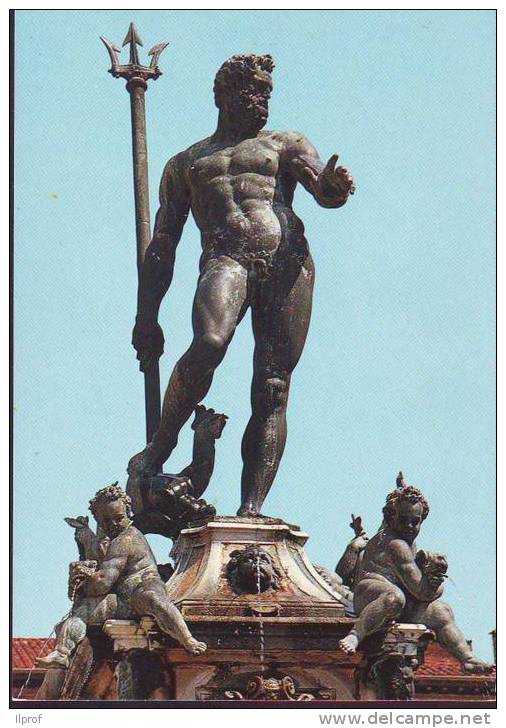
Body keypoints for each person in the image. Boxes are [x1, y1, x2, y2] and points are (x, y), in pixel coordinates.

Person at [128, 54, 355, 517]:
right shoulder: (187, 163)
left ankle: (251, 511)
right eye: (252, 90)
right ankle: (161, 444)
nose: (261, 100)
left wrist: (333, 186)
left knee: (272, 385)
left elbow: (321, 188)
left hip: (287, 261)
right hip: (226, 258)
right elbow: (162, 245)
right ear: (223, 95)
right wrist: (146, 315)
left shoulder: (285, 144)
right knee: (209, 342)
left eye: (267, 92)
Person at [37, 484, 206, 669]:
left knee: (154, 599)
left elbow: (102, 583)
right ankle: (62, 653)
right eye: (106, 521)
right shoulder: (114, 541)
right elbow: (102, 572)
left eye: (119, 518)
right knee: (83, 610)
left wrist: (83, 581)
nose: (114, 525)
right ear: (98, 521)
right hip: (122, 599)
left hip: (142, 587)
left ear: (128, 512)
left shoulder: (127, 538)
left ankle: (187, 638)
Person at [338, 486, 492, 674]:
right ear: (390, 518)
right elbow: (421, 591)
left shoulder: (397, 534)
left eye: (415, 521)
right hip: (370, 594)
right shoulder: (397, 545)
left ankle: (466, 658)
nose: (410, 526)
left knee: (442, 612)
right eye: (404, 520)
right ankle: (356, 634)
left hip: (397, 601)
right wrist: (436, 580)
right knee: (394, 597)